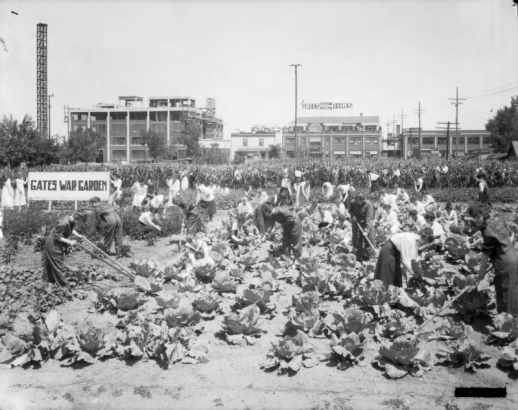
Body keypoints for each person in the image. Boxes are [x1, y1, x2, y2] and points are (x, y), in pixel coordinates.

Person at [467, 202, 518, 315]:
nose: (476, 220)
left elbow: (485, 254)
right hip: (513, 256)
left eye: (478, 217)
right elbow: (510, 236)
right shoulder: (498, 221)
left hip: (504, 262)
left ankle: (506, 321)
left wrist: (480, 273)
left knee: (503, 291)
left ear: (484, 215)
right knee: (512, 288)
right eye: (474, 218)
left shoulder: (487, 231)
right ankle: (514, 315)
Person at [42, 211, 87, 287]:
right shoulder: (64, 223)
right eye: (80, 222)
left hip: (55, 241)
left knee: (49, 263)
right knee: (58, 264)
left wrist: (79, 236)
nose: (80, 224)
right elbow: (57, 236)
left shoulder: (70, 220)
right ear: (77, 219)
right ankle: (64, 286)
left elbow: (70, 229)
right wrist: (70, 242)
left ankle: (47, 281)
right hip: (53, 243)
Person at [349, 192, 375, 262]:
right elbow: (350, 210)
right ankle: (357, 258)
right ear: (356, 200)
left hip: (367, 223)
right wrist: (353, 216)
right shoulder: (352, 202)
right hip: (356, 223)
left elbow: (369, 218)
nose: (361, 203)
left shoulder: (368, 204)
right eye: (359, 201)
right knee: (357, 241)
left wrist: (366, 230)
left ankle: (370, 258)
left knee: (369, 241)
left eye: (362, 201)